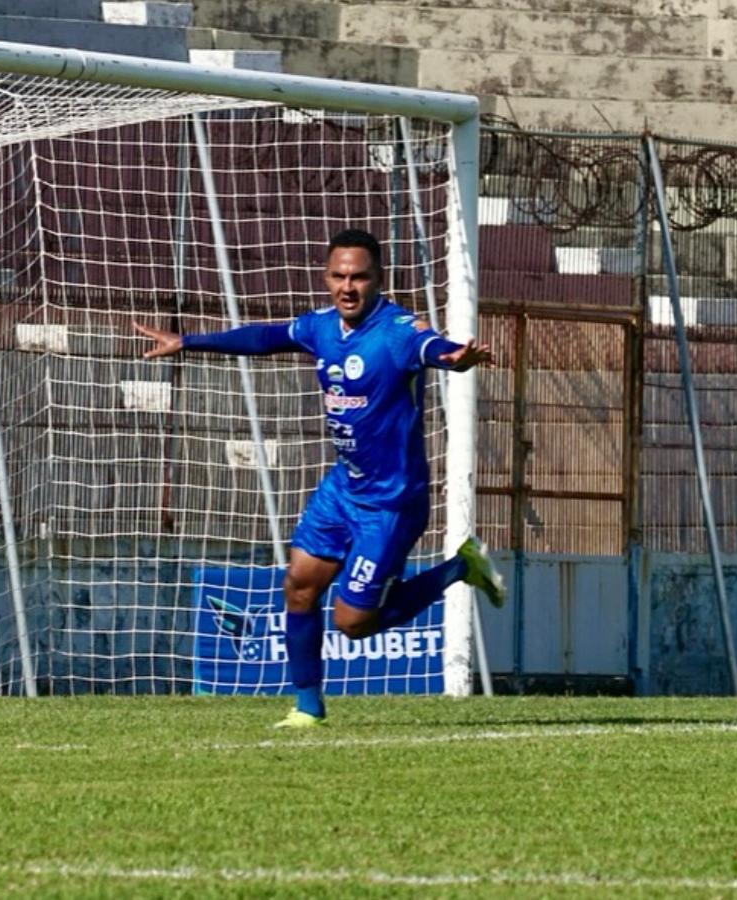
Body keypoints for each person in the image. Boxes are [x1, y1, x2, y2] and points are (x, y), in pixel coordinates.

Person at [134, 228, 506, 728]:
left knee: (353, 623)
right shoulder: (322, 327)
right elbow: (266, 338)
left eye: (359, 277)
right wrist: (187, 341)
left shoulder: (397, 330)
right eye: (338, 276)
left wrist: (454, 357)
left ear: (379, 279)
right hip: (343, 489)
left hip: (391, 503)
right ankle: (307, 707)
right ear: (327, 278)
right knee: (298, 586)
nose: (347, 287)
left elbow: (431, 345)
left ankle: (459, 568)